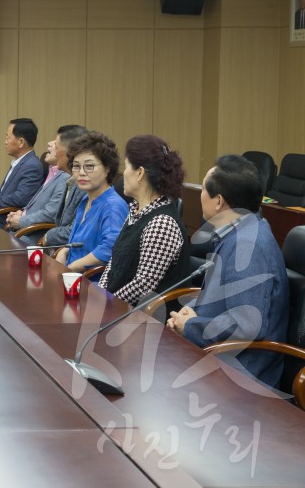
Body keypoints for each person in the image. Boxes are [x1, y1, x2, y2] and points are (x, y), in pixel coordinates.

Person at [168, 155, 289, 388]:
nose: (200, 195)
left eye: (203, 189)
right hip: (218, 355)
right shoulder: (240, 231)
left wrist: (191, 326)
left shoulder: (249, 247)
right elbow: (224, 297)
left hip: (241, 373)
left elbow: (246, 325)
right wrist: (190, 310)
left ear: (219, 201)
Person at [100, 135, 190, 304]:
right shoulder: (135, 210)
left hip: (149, 320)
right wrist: (101, 294)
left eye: (126, 167)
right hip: (119, 311)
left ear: (140, 173)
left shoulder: (162, 223)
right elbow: (114, 263)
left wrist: (108, 304)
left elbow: (143, 285)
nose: (123, 174)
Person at [55, 131, 129, 273]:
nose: (81, 172)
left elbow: (109, 249)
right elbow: (78, 243)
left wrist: (71, 268)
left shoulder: (113, 205)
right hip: (73, 278)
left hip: (94, 286)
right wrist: (64, 251)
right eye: (76, 166)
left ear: (107, 168)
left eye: (89, 166)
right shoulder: (85, 199)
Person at [5, 124, 84, 241]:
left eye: (56, 147)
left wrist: (47, 237)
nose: (54, 151)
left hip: (38, 234)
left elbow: (55, 217)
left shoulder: (76, 183)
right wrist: (21, 214)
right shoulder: (62, 177)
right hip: (35, 230)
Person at [0, 118, 43, 225]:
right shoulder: (19, 162)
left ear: (20, 142)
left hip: (7, 223)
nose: (5, 142)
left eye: (7, 138)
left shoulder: (32, 165)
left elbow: (21, 198)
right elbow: (4, 192)